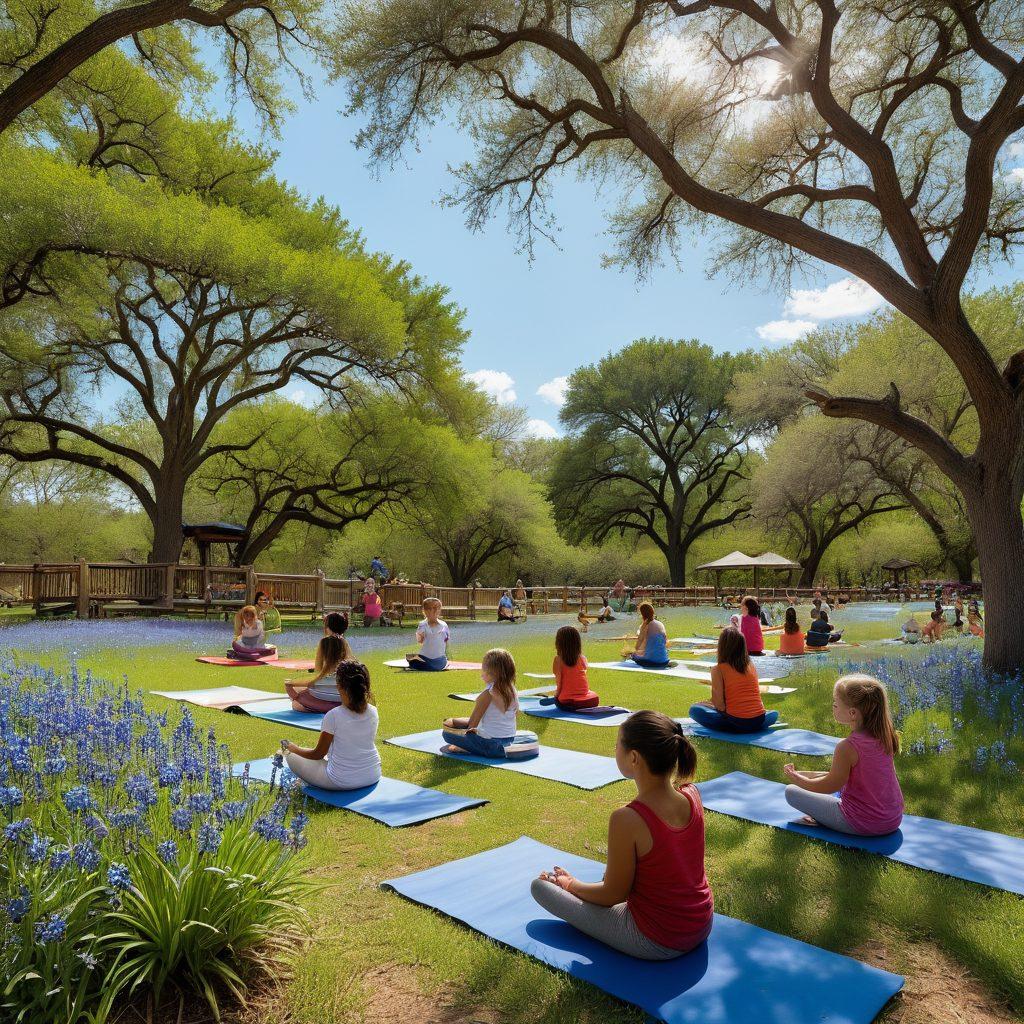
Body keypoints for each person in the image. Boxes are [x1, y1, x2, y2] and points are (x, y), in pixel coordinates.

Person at [531, 710, 713, 960]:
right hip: (701, 924)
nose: (614, 750)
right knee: (607, 879)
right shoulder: (692, 795)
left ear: (634, 758)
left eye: (617, 745)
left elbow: (612, 896)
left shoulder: (627, 819)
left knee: (540, 888)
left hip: (658, 940)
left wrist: (569, 885)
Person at [783, 674, 903, 836]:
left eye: (835, 704)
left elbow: (831, 786)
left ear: (852, 713)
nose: (833, 707)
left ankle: (823, 820)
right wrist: (809, 775)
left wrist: (798, 780)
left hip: (862, 823)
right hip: (893, 820)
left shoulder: (847, 747)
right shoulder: (884, 736)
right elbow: (852, 776)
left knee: (791, 792)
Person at [283, 660, 382, 790]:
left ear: (339, 686)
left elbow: (317, 754)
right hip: (372, 774)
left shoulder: (333, 715)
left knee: (290, 755)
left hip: (341, 781)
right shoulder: (373, 711)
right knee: (311, 752)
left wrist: (293, 748)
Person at [441, 649, 531, 758]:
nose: (481, 673)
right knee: (467, 729)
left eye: (483, 669)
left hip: (493, 747)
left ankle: (466, 748)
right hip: (510, 742)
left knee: (447, 734)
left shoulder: (487, 694)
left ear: (490, 674)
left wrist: (455, 724)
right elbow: (513, 715)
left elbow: (471, 725)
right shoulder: (512, 689)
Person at [688, 628, 779, 734]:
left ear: (722, 647)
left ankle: (741, 726)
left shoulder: (718, 669)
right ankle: (753, 724)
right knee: (773, 714)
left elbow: (720, 706)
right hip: (758, 719)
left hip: (737, 722)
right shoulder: (751, 666)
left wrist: (707, 704)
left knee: (694, 710)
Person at [285, 635, 352, 712]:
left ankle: (315, 709)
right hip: (342, 706)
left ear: (322, 653)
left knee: (296, 701)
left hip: (317, 705)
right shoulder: (351, 674)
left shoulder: (319, 678)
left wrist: (289, 686)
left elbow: (293, 692)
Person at [552, 626, 600, 710]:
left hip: (567, 701)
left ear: (559, 643)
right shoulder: (582, 658)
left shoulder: (558, 660)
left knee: (559, 699)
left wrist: (556, 696)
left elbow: (559, 681)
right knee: (593, 695)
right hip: (590, 701)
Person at [407, 597, 449, 671]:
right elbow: (420, 640)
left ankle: (429, 665)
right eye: (432, 608)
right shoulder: (423, 624)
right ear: (425, 611)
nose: (435, 611)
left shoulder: (443, 624)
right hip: (430, 658)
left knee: (413, 661)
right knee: (415, 660)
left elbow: (420, 641)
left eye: (437, 608)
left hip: (439, 659)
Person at [626, 602, 670, 668]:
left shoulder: (645, 626)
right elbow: (665, 642)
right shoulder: (660, 624)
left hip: (652, 661)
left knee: (631, 654)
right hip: (664, 660)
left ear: (642, 614)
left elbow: (637, 647)